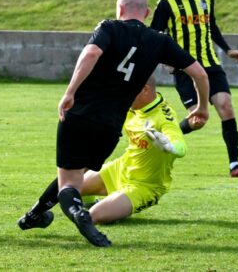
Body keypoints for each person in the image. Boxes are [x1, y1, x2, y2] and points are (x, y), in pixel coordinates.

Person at [18, 0, 210, 247]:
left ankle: (76, 214)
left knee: (68, 183)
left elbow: (92, 53)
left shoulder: (108, 27)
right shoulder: (159, 41)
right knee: (76, 176)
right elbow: (200, 74)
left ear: (119, 9)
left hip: (81, 113)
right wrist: (201, 108)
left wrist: (70, 92)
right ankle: (33, 216)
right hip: (110, 126)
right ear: (147, 13)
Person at [150, 0, 238, 178]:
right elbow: (154, 34)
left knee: (226, 106)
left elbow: (211, 26)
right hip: (185, 69)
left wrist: (227, 49)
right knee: (197, 121)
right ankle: (161, 141)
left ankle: (234, 166)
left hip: (211, 64)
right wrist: (164, 58)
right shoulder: (167, 3)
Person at [79, 76, 187, 224]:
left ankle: (114, 207)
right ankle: (98, 203)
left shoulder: (164, 117)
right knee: (70, 187)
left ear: (145, 90)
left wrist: (170, 147)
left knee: (91, 217)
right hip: (119, 169)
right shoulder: (133, 107)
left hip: (144, 186)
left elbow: (181, 147)